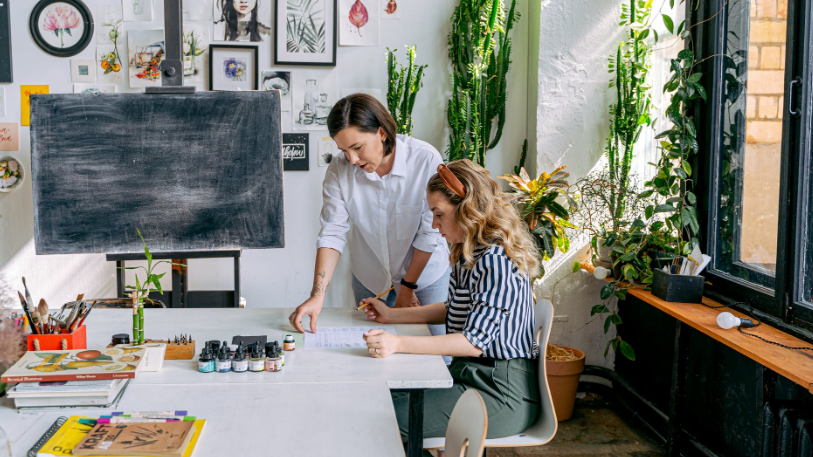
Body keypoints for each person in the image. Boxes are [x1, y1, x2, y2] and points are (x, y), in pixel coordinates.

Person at [360, 159, 541, 450]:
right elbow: (453, 306)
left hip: (499, 393)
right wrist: (393, 314)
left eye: (439, 214)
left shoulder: (495, 260)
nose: (434, 224)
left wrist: (397, 343)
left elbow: (472, 342)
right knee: (384, 399)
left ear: (467, 209)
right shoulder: (470, 250)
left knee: (383, 418)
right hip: (471, 375)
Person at [289, 94, 451, 349]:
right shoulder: (340, 170)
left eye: (357, 147)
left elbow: (429, 232)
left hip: (426, 279)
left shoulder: (425, 159)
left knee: (436, 359)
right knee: (374, 355)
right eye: (344, 150)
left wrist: (407, 288)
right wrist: (317, 296)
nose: (352, 160)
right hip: (371, 279)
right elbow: (332, 232)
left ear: (382, 133)